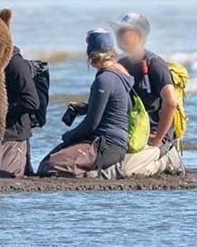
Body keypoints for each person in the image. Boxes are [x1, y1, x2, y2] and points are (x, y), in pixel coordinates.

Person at [37, 29, 133, 178]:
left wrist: (68, 136)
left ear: (92, 54)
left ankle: (102, 172)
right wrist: (85, 108)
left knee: (50, 167)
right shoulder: (119, 75)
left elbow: (91, 124)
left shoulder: (105, 79)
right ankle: (98, 168)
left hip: (106, 144)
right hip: (116, 143)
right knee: (47, 161)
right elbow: (122, 107)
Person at [111, 12, 184, 177]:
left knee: (128, 171)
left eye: (124, 31)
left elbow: (170, 103)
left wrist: (158, 139)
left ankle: (168, 159)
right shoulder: (122, 64)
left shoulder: (155, 64)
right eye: (118, 31)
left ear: (139, 35)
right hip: (132, 133)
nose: (119, 35)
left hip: (154, 135)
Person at [0, 45, 41, 178]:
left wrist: (0, 114)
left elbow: (32, 101)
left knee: (4, 175)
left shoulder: (14, 62)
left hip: (13, 134)